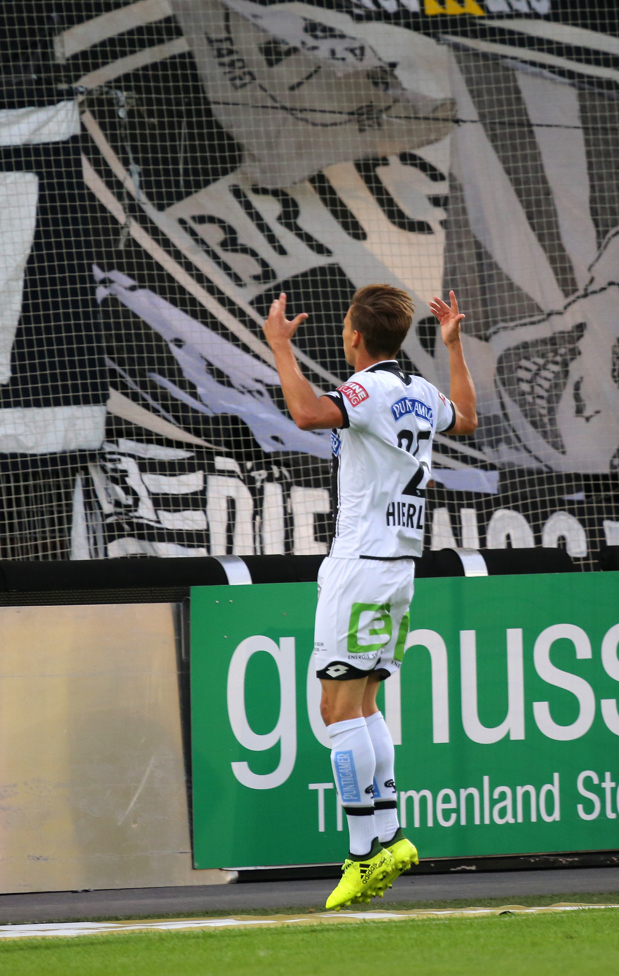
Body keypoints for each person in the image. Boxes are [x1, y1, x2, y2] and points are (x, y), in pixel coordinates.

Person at [263, 285, 477, 910]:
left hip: (360, 566)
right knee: (365, 702)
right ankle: (391, 837)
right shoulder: (417, 391)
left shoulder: (370, 389)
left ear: (355, 336)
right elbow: (464, 417)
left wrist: (280, 347)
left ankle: (362, 855)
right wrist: (455, 348)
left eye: (345, 327)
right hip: (399, 568)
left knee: (335, 712)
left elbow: (306, 413)